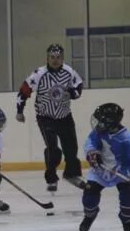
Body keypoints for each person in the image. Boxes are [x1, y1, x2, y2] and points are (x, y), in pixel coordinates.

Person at [16, 43, 85, 192]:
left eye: (58, 57)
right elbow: (23, 91)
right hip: (45, 117)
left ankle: (71, 174)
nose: (55, 60)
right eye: (52, 57)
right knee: (53, 149)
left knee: (71, 148)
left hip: (65, 116)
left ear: (62, 58)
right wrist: (19, 111)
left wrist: (72, 94)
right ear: (47, 58)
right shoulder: (39, 74)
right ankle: (51, 178)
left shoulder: (69, 72)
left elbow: (79, 88)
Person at [80, 103, 130, 231]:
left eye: (100, 120)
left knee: (128, 195)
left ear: (109, 122)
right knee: (89, 195)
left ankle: (128, 223)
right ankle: (90, 215)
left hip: (122, 172)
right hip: (100, 171)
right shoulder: (98, 133)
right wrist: (92, 153)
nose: (96, 123)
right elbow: (90, 143)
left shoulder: (128, 139)